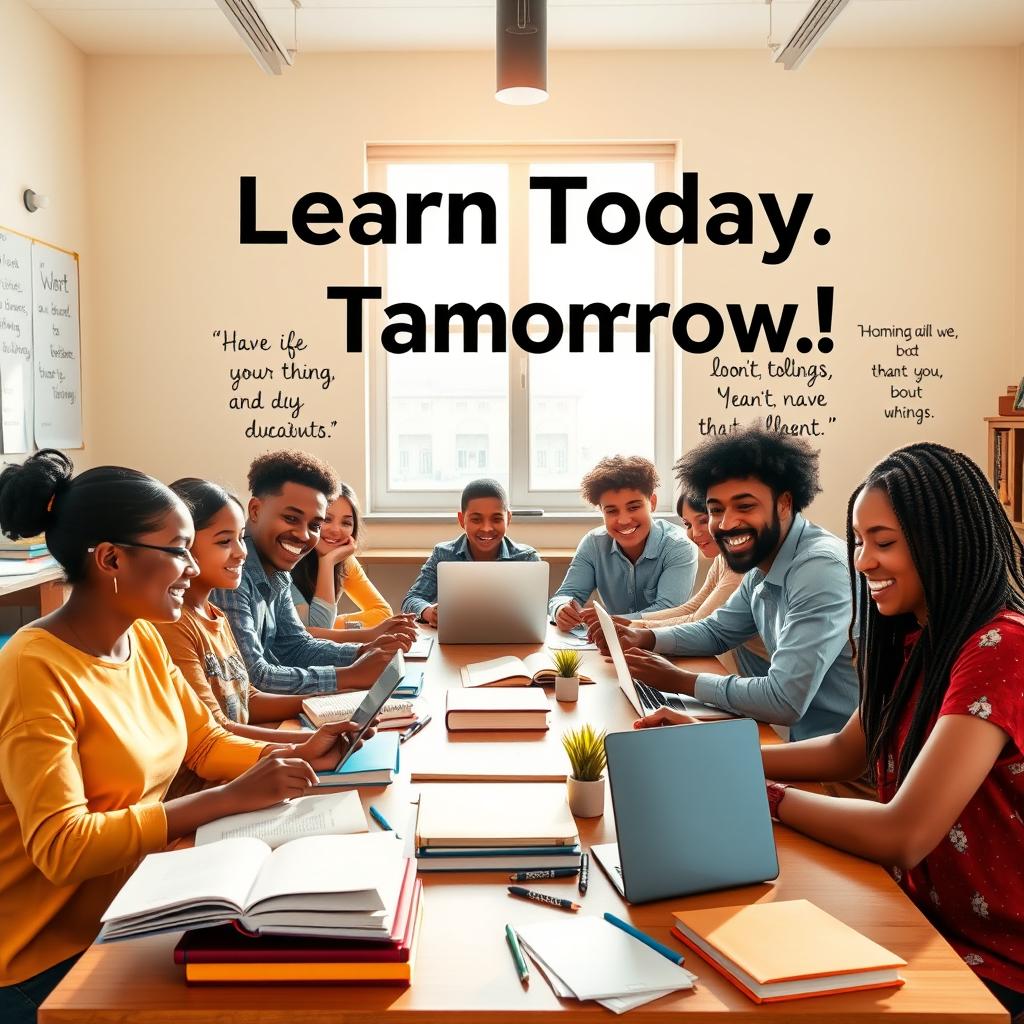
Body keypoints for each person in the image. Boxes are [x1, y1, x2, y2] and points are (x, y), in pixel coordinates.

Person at [635, 443, 1024, 1019]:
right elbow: (849, 751)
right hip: (916, 911)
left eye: (884, 543)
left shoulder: (999, 645)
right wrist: (708, 751)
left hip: (991, 956)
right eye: (861, 542)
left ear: (945, 540)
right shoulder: (915, 636)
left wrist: (755, 791)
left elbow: (904, 832)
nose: (863, 561)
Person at [0, 451, 367, 1021]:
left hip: (134, 911)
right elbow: (62, 846)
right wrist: (225, 799)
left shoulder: (141, 636)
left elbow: (203, 742)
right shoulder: (34, 667)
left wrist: (296, 750)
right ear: (110, 558)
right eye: (176, 550)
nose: (193, 568)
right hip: (46, 959)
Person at [593, 424, 858, 742]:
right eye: (716, 510)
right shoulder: (764, 562)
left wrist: (681, 680)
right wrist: (645, 637)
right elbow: (716, 631)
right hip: (804, 747)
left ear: (785, 503)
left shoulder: (819, 568)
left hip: (846, 773)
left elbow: (784, 699)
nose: (726, 523)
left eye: (745, 506)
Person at [214, 450, 414, 695]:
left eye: (315, 525)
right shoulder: (233, 572)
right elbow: (253, 676)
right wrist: (349, 675)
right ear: (255, 510)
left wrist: (363, 652)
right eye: (291, 518)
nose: (304, 535)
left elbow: (296, 646)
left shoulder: (277, 571)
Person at [550, 455, 696, 631]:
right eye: (611, 511)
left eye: (634, 507)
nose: (624, 520)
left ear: (653, 503)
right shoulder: (593, 544)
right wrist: (561, 609)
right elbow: (565, 595)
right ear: (602, 512)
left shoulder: (679, 546)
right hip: (611, 644)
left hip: (665, 644)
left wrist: (609, 620)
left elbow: (668, 612)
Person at [401, 478, 538, 626]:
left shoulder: (527, 558)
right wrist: (429, 612)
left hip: (514, 641)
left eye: (496, 519)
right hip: (456, 640)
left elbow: (537, 611)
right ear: (461, 520)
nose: (486, 528)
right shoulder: (443, 554)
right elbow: (411, 600)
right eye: (476, 520)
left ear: (508, 519)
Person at [291, 485, 414, 641]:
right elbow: (313, 637)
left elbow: (382, 613)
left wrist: (331, 627)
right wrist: (327, 562)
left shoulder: (343, 560)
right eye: (327, 519)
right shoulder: (286, 561)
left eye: (346, 523)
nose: (336, 530)